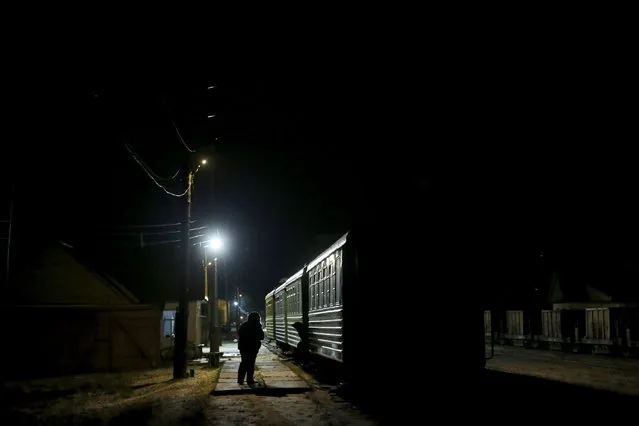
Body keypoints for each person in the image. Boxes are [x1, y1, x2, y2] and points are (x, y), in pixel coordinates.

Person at [237, 311, 264, 385]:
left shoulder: (244, 325)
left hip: (243, 347)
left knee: (244, 363)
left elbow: (239, 333)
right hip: (253, 348)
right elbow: (262, 336)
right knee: (251, 364)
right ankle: (249, 379)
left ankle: (240, 380)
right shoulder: (257, 326)